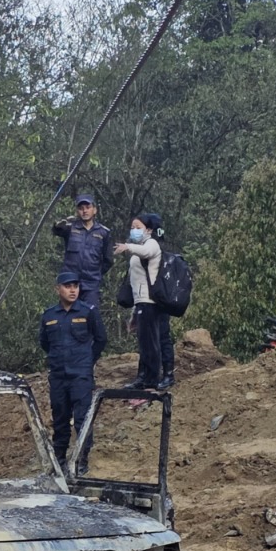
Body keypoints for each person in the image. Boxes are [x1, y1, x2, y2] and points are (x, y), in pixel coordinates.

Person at [39, 269, 107, 473]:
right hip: (59, 375)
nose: (72, 290)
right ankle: (59, 460)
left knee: (82, 419)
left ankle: (81, 460)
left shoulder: (87, 311)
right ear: (57, 289)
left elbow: (101, 339)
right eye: (68, 286)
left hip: (81, 375)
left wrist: (87, 360)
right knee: (60, 417)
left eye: (75, 286)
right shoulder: (49, 315)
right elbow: (44, 343)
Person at [114, 213, 173, 388]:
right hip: (142, 302)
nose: (134, 231)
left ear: (148, 230)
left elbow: (147, 252)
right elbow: (135, 284)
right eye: (132, 228)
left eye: (138, 228)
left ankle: (153, 377)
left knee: (155, 340)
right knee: (145, 341)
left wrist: (128, 246)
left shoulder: (151, 244)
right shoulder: (138, 248)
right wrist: (134, 313)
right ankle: (144, 376)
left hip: (151, 301)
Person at [52, 194, 114, 312]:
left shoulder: (103, 232)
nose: (84, 211)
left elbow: (108, 260)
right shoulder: (70, 227)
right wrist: (58, 225)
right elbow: (57, 230)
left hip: (91, 283)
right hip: (70, 281)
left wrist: (96, 273)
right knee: (68, 314)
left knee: (91, 314)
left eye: (87, 207)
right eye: (81, 208)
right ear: (77, 211)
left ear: (94, 210)